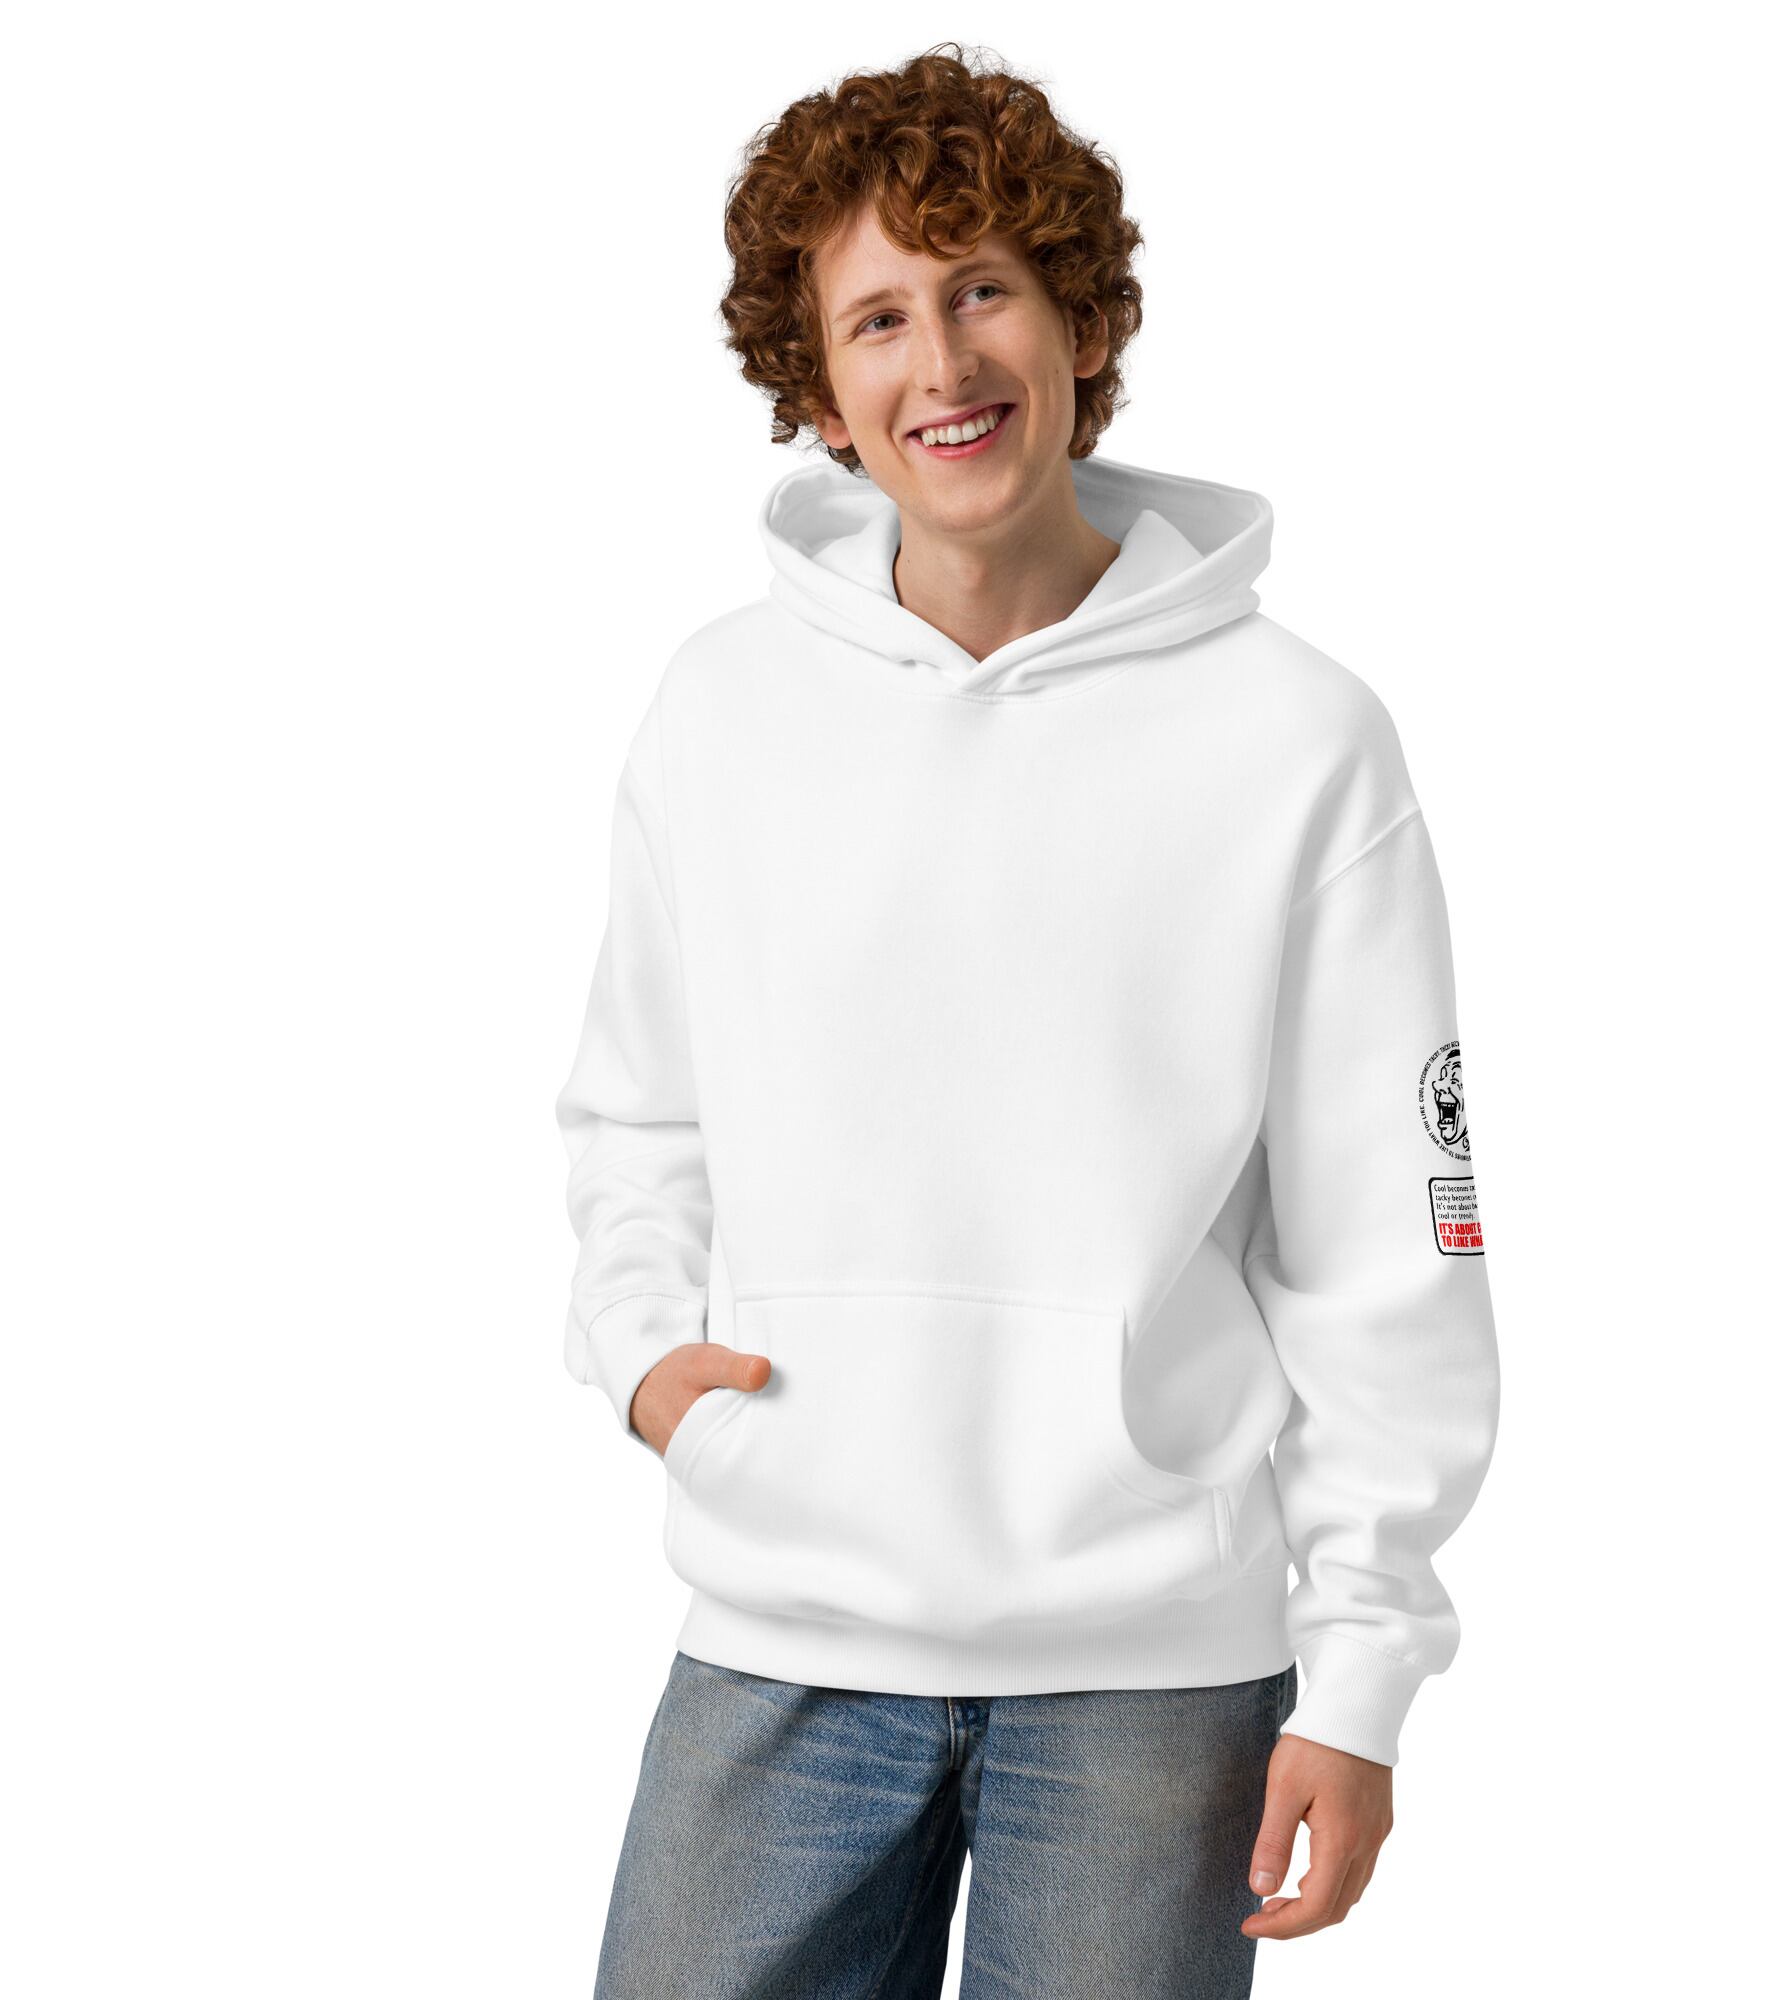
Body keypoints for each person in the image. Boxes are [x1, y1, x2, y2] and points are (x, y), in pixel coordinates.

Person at [554, 43, 1500, 2000]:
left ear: (1080, 319)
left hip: (1153, 1669)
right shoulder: (721, 712)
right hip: (785, 1627)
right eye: (878, 318)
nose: (944, 362)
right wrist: (647, 1357)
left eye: (984, 287)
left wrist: (1362, 1674)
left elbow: (1385, 1240)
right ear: (817, 385)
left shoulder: (1298, 741)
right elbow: (637, 1111)